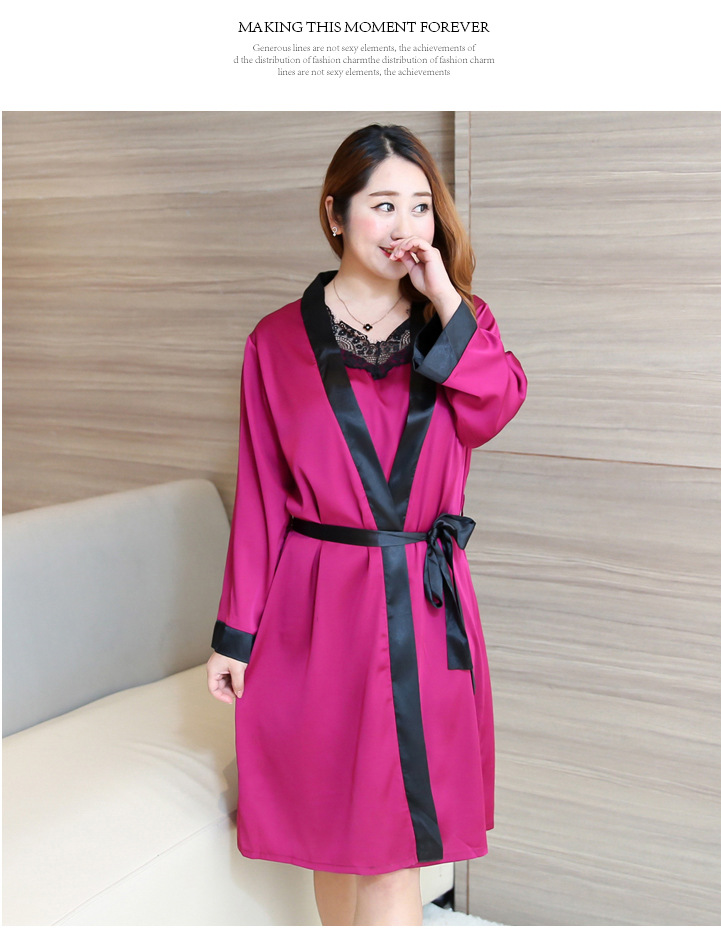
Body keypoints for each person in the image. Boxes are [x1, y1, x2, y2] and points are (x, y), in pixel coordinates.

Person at [205, 124, 527, 926]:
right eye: (383, 205)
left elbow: (497, 407)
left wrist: (446, 296)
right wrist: (235, 635)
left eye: (420, 206)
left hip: (421, 604)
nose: (404, 226)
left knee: (391, 853)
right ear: (336, 213)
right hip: (317, 611)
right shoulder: (277, 341)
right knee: (334, 842)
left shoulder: (459, 326)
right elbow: (263, 495)